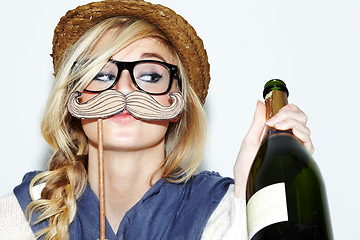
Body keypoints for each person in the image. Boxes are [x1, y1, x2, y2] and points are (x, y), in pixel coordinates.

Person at [0, 1, 313, 239]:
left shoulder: (221, 212)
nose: (124, 88)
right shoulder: (21, 215)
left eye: (150, 75)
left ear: (176, 103)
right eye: (101, 74)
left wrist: (249, 193)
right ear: (75, 98)